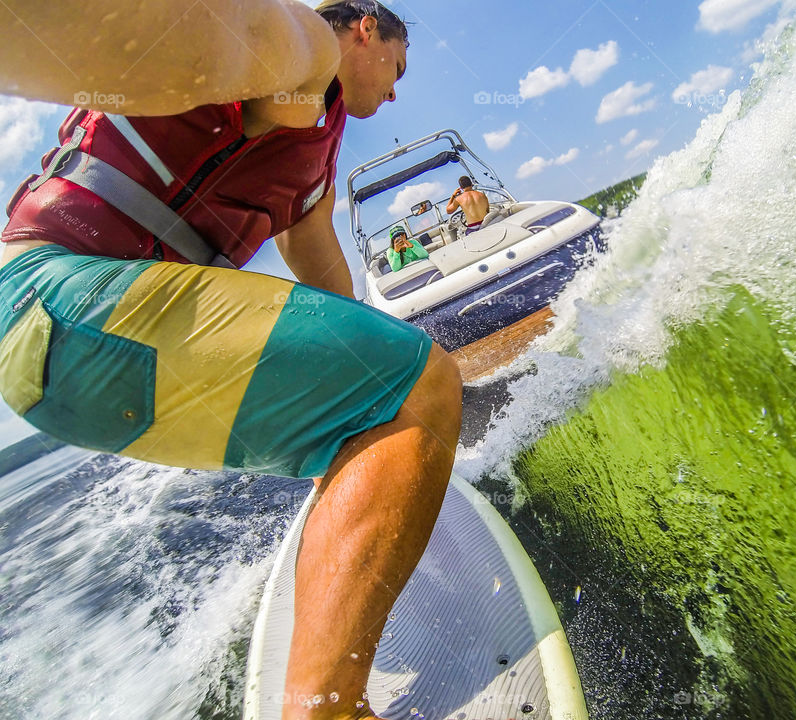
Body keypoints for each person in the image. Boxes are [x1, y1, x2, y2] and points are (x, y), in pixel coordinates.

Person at [0, 2, 462, 719]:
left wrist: (383, 405)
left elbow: (330, 288)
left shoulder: (313, 166)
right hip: (58, 296)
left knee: (392, 393)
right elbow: (196, 39)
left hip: (57, 364)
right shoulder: (304, 46)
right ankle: (327, 709)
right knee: (419, 386)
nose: (397, 91)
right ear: (365, 28)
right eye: (399, 69)